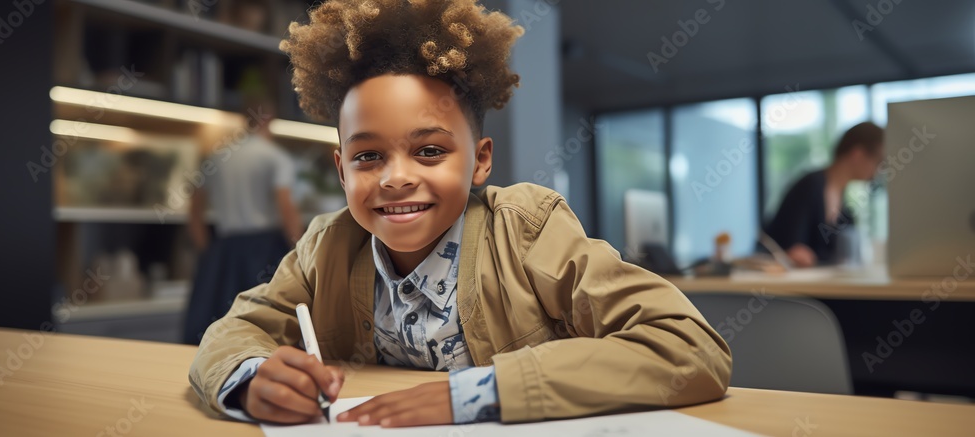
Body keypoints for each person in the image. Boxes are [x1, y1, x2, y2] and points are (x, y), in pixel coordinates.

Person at [189, 0, 731, 427]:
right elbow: (233, 332)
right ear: (341, 168)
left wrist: (478, 394)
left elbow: (689, 346)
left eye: (429, 151)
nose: (396, 176)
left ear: (480, 161)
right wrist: (250, 377)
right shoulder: (325, 246)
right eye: (367, 156)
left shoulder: (525, 230)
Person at [182, 95, 304, 345]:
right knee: (265, 326)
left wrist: (207, 250)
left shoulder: (217, 157)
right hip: (265, 249)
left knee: (218, 326)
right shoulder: (274, 157)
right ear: (268, 119)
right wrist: (300, 249)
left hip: (224, 250)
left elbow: (194, 209)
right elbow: (285, 206)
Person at [764, 122, 884, 267]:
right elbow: (789, 248)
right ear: (857, 154)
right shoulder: (810, 186)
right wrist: (794, 253)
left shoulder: (845, 207)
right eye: (878, 162)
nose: (877, 171)